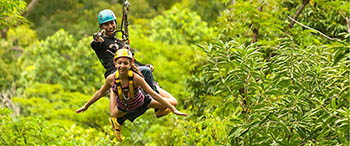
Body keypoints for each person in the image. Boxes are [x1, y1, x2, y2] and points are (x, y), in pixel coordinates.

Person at [76, 49, 187, 141]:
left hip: (143, 102)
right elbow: (100, 93)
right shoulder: (111, 79)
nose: (122, 66)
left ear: (131, 63)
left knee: (173, 101)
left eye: (125, 63)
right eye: (119, 63)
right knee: (113, 114)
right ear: (115, 63)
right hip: (123, 107)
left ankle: (157, 86)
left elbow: (152, 93)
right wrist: (86, 105)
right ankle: (113, 91)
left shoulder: (136, 78)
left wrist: (173, 109)